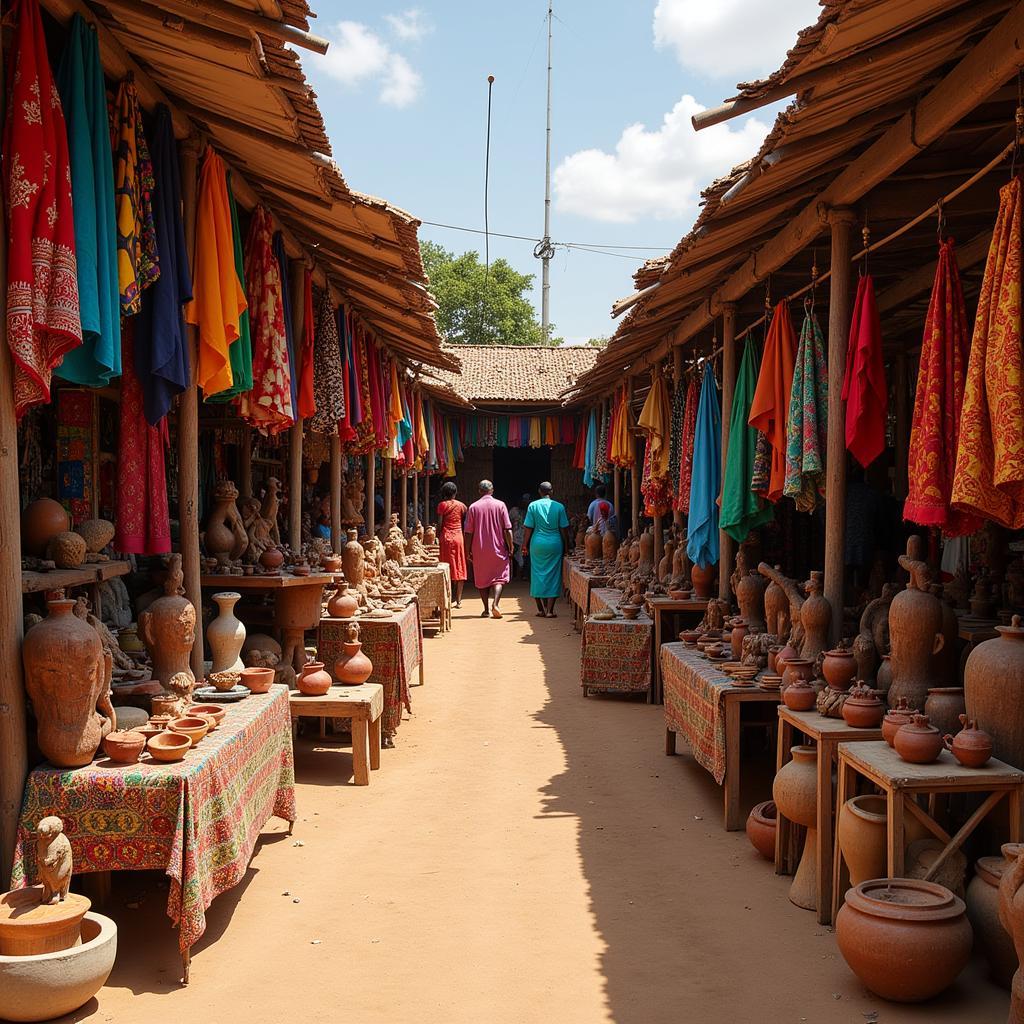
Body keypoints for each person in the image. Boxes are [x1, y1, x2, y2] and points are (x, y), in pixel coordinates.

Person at [463, 479, 513, 619]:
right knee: (499, 577)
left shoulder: (473, 507)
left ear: (479, 491)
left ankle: (486, 609)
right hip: (498, 547)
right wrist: (511, 546)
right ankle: (496, 603)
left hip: (479, 549)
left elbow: (468, 533)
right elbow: (507, 529)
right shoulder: (501, 505)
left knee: (482, 578)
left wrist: (467, 551)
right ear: (492, 490)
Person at [523, 481, 570, 618]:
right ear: (552, 492)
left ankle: (540, 609)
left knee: (537, 574)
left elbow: (528, 528)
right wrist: (566, 546)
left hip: (537, 543)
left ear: (539, 492)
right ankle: (550, 610)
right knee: (554, 575)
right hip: (555, 543)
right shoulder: (559, 507)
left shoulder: (533, 505)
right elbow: (564, 529)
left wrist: (524, 545)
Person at [436, 481, 467, 607]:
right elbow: (465, 522)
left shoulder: (442, 505)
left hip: (446, 538)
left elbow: (440, 523)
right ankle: (459, 600)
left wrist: (437, 536)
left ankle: (448, 598)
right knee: (459, 566)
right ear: (455, 493)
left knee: (446, 567)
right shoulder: (462, 506)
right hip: (459, 537)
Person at [509, 492, 530, 580]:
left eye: (527, 501)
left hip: (526, 537)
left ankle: (524, 575)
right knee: (515, 556)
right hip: (515, 538)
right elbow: (508, 523)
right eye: (523, 501)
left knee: (525, 556)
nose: (525, 503)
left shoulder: (531, 510)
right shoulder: (514, 510)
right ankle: (515, 576)